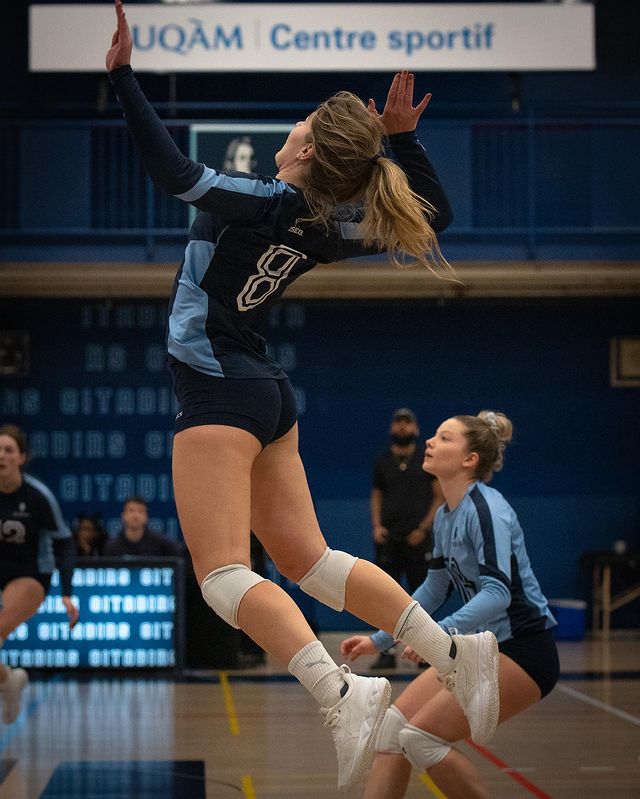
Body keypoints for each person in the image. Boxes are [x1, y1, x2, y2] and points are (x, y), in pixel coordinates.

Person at [106, 3, 499, 789]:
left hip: (217, 384)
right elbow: (438, 215)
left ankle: (340, 691)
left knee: (222, 577)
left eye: (296, 123)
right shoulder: (320, 222)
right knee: (310, 560)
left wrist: (121, 78)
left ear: (306, 146)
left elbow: (173, 173)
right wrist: (404, 139)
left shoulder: (268, 201)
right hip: (263, 388)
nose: (289, 127)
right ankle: (457, 651)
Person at [341, 411, 560, 799]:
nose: (430, 442)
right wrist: (380, 640)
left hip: (523, 649)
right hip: (484, 646)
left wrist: (438, 633)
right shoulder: (445, 515)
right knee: (392, 731)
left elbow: (498, 593)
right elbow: (434, 588)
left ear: (469, 459)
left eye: (444, 438)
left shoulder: (486, 510)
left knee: (421, 739)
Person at [0, 424, 79, 724]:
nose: (2, 456)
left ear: (22, 457)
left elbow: (65, 543)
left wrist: (68, 593)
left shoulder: (37, 496)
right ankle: (8, 681)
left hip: (30, 575)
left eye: (9, 450)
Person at [371, 408, 443, 669]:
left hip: (417, 538)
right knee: (384, 597)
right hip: (389, 538)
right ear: (392, 428)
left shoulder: (426, 461)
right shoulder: (383, 460)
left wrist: (423, 528)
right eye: (398, 422)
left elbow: (439, 496)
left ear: (416, 429)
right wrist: (377, 525)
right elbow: (377, 494)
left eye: (407, 423)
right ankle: (385, 652)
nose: (402, 427)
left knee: (422, 598)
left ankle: (425, 651)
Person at [103, 496, 183, 557]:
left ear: (146, 517)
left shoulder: (162, 543)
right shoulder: (112, 547)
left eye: (140, 511)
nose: (135, 515)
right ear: (123, 516)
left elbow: (181, 557)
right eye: (131, 511)